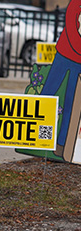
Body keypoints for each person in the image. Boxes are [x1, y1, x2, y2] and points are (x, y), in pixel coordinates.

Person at [40, 0, 81, 157]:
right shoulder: (76, 3)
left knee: (71, 104)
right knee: (48, 94)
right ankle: (35, 137)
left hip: (78, 63)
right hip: (65, 54)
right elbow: (71, 30)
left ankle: (62, 144)